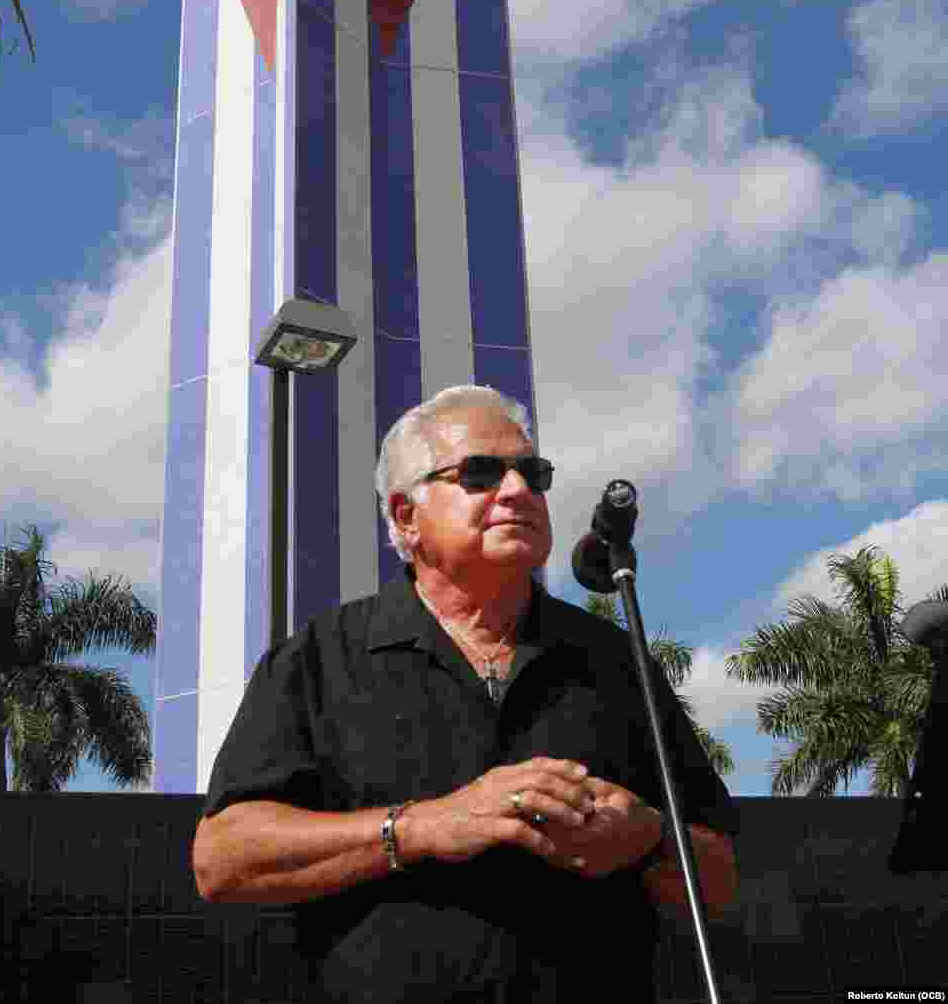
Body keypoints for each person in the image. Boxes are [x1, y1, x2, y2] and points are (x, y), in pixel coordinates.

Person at [193, 385, 739, 1003]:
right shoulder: (317, 660)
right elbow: (223, 858)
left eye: (533, 473)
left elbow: (721, 878)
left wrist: (648, 838)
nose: (518, 490)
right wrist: (421, 827)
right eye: (480, 474)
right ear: (407, 517)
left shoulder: (618, 661)